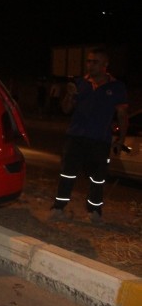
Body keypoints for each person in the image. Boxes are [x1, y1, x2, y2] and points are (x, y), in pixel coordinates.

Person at [49, 47, 129, 224]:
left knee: (97, 178)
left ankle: (94, 211)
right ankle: (58, 208)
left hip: (100, 139)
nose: (90, 65)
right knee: (68, 174)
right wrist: (69, 96)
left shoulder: (116, 87)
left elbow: (123, 116)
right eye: (89, 61)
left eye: (95, 62)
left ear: (105, 65)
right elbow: (66, 109)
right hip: (75, 137)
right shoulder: (79, 83)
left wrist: (120, 139)